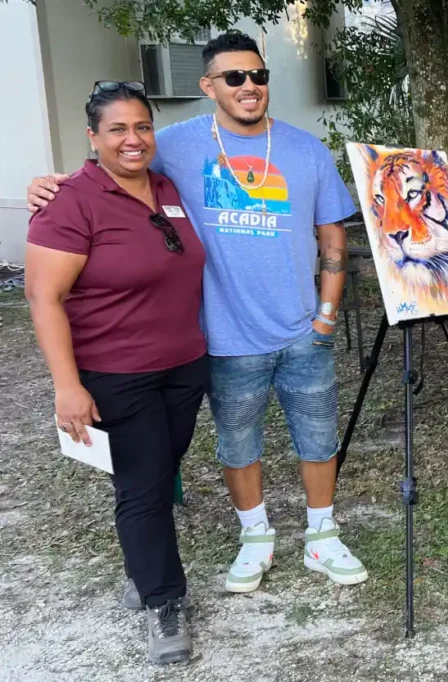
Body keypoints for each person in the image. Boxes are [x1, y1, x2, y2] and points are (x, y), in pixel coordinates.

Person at [27, 32, 366, 597]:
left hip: (305, 332)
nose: (249, 86)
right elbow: (113, 163)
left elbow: (330, 234)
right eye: (234, 77)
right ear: (208, 86)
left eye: (257, 75)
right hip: (225, 338)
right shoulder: (175, 144)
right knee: (238, 443)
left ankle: (321, 533)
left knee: (318, 436)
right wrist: (47, 184)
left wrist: (327, 315)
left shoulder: (306, 149)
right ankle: (255, 537)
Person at [24, 81, 207, 664]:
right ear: (93, 138)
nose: (133, 139)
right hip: (115, 372)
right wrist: (67, 386)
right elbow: (42, 297)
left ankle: (142, 566)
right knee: (143, 485)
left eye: (142, 127)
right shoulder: (71, 201)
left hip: (182, 365)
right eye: (118, 129)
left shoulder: (165, 185)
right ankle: (162, 602)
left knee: (157, 471)